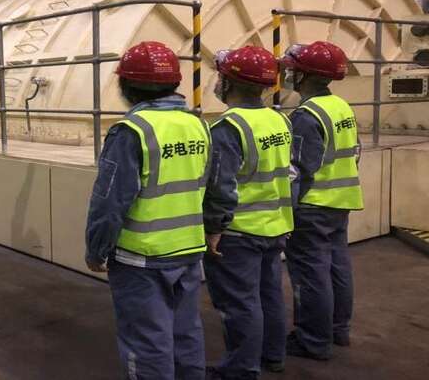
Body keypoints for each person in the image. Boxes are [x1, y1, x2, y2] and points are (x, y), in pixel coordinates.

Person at [85, 41, 211, 380]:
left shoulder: (131, 131)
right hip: (188, 249)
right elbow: (212, 185)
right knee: (186, 334)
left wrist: (96, 248)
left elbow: (110, 201)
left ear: (126, 85)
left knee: (146, 342)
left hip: (141, 258)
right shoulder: (198, 125)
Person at [202, 46, 294, 379]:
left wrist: (214, 228)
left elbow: (221, 186)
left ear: (229, 83)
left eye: (221, 77)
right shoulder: (280, 119)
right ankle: (274, 354)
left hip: (239, 231)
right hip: (275, 225)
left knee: (240, 303)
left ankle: (241, 369)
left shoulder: (229, 127)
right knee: (269, 295)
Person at [280, 41, 364, 360]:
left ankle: (313, 340)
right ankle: (338, 329)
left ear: (303, 76)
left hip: (313, 206)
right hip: (340, 200)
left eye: (292, 70)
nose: (288, 74)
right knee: (337, 266)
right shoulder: (341, 106)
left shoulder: (306, 116)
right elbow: (354, 152)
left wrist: (288, 211)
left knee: (311, 273)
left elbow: (299, 170)